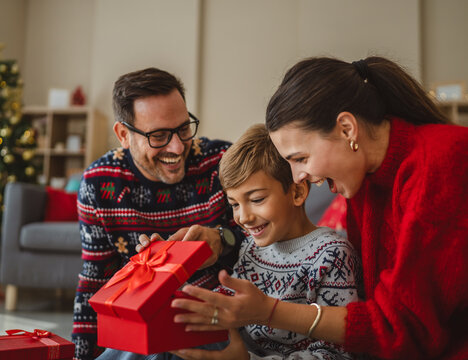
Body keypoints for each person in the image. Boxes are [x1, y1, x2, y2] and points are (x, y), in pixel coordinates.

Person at [170, 56, 468, 359]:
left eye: (300, 158)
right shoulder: (366, 184)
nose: (299, 177)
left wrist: (268, 313)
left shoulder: (442, 164)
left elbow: (397, 329)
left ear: (347, 129)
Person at [72, 67, 244, 360]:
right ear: (124, 134)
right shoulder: (98, 184)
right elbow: (95, 284)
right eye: (160, 136)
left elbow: (263, 245)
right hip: (140, 325)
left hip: (215, 318)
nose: (177, 147)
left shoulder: (222, 163)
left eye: (183, 129)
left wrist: (221, 241)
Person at [170, 123, 361, 359]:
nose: (244, 217)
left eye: (257, 199)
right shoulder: (251, 247)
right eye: (234, 204)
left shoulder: (333, 255)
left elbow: (336, 355)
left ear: (297, 193)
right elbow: (229, 310)